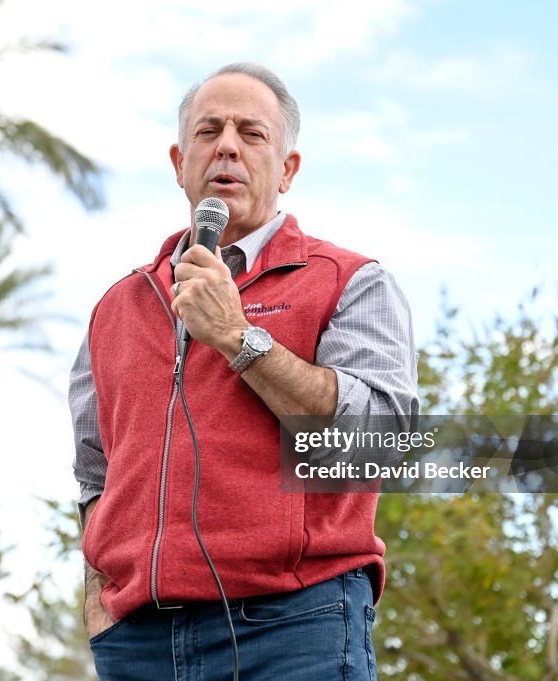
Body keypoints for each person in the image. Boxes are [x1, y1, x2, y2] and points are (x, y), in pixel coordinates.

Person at [70, 62, 418, 681]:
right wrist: (103, 603)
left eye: (252, 134)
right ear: (180, 162)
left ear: (287, 170)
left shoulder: (350, 283)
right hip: (139, 645)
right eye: (209, 131)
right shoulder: (117, 309)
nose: (227, 144)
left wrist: (237, 338)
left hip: (295, 628)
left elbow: (382, 444)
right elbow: (96, 474)